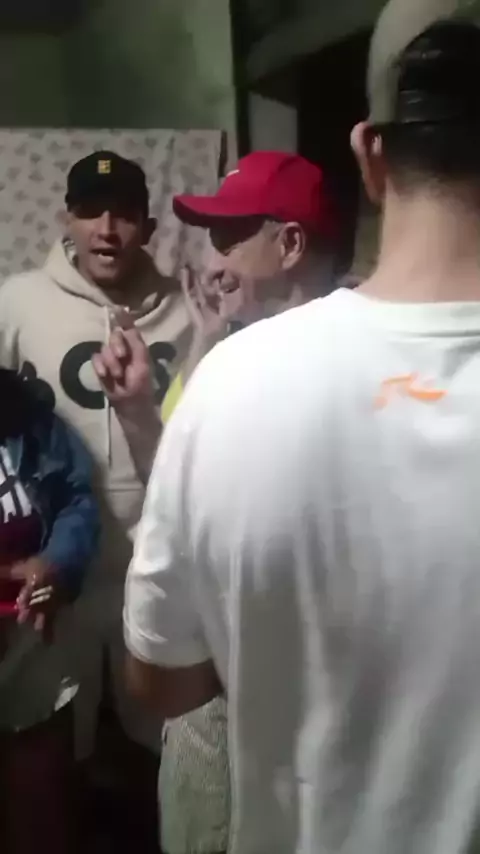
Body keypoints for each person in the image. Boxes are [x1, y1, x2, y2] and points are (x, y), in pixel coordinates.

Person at [124, 5, 480, 854]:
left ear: (370, 155)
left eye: (229, 234)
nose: (212, 257)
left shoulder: (231, 388)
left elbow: (162, 680)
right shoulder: (221, 370)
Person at [96, 151, 340, 854]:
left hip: (301, 695)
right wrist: (138, 409)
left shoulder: (352, 362)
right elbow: (171, 492)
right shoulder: (223, 354)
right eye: (211, 239)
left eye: (231, 238)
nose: (213, 261)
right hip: (212, 697)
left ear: (290, 244)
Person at [0, 151, 194, 841]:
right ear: (66, 219)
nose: (106, 230)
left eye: (123, 215)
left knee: (161, 746)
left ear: (148, 226)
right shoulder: (17, 301)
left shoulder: (188, 310)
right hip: (55, 576)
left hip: (156, 565)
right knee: (55, 752)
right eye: (89, 212)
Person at [0, 367, 99, 854]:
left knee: (41, 803)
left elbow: (76, 500)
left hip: (29, 638)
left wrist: (55, 563)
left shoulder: (29, 417)